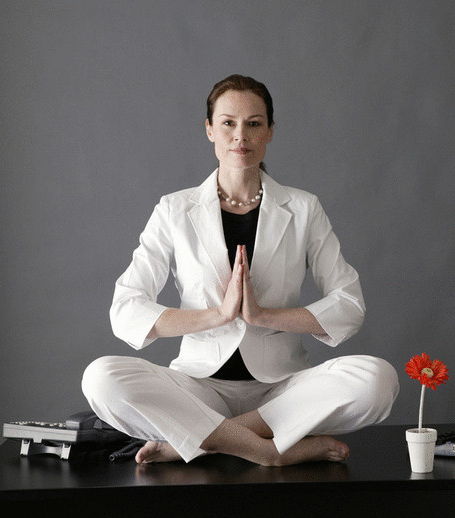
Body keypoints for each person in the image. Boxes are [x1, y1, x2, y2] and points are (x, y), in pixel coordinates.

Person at [82, 74, 399, 466]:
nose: (240, 135)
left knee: (378, 379)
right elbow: (126, 309)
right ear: (209, 130)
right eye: (228, 123)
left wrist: (263, 315)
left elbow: (349, 305)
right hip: (197, 388)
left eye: (254, 123)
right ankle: (269, 451)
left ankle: (201, 440)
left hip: (282, 388)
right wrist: (218, 315)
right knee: (101, 378)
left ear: (270, 132)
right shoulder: (174, 209)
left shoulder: (303, 208)